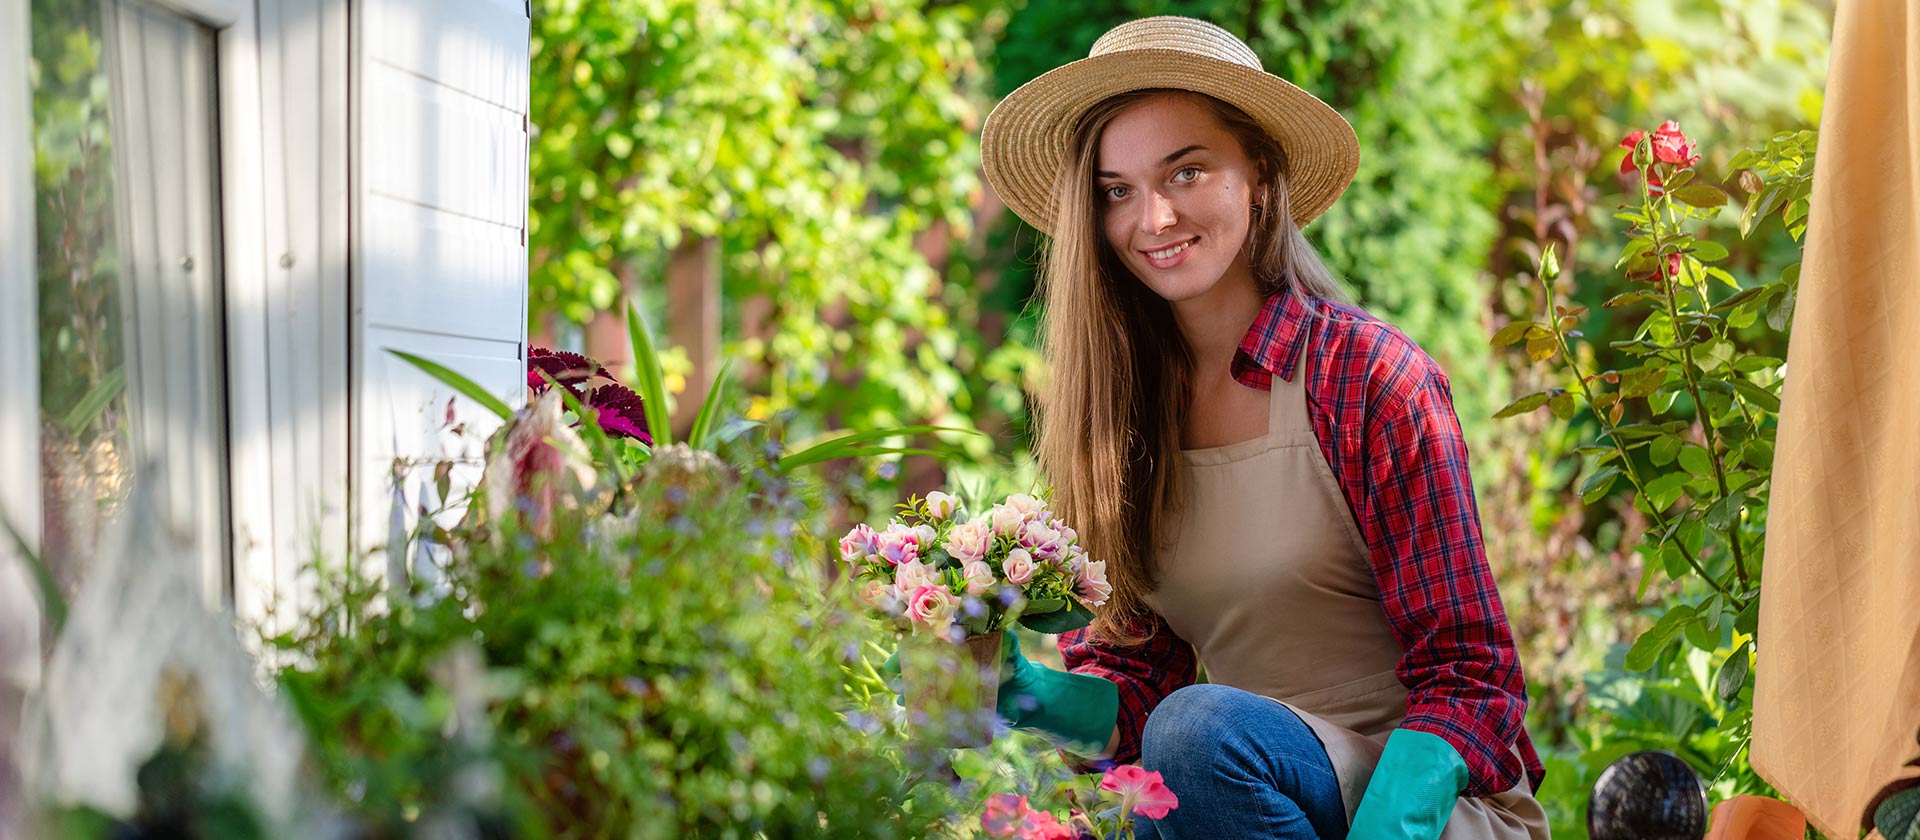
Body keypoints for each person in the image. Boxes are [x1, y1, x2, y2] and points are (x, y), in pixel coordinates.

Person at [974, 16, 1550, 840]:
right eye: (1117, 190)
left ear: (1263, 178)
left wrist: (1386, 826)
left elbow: (1472, 678)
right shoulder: (1123, 421)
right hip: (1246, 801)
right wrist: (1002, 689)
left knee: (1195, 734)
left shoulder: (1366, 378)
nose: (1155, 218)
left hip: (1430, 813)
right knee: (1167, 771)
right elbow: (1136, 696)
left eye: (1188, 172)